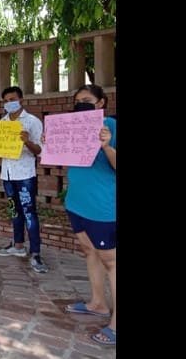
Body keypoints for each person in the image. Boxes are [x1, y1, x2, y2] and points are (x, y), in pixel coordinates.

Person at [58, 84, 116, 346]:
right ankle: (97, 303)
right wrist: (54, 145)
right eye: (77, 101)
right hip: (77, 203)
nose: (81, 104)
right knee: (89, 251)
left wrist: (106, 146)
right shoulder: (73, 126)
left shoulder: (112, 127)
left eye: (87, 100)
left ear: (101, 103)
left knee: (112, 262)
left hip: (103, 207)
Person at [0, 86, 48, 273]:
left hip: (25, 175)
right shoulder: (3, 122)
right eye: (6, 100)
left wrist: (27, 141)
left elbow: (40, 151)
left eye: (13, 99)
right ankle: (17, 246)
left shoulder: (32, 122)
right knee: (14, 211)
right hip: (7, 174)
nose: (10, 103)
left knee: (29, 213)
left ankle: (36, 253)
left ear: (21, 99)